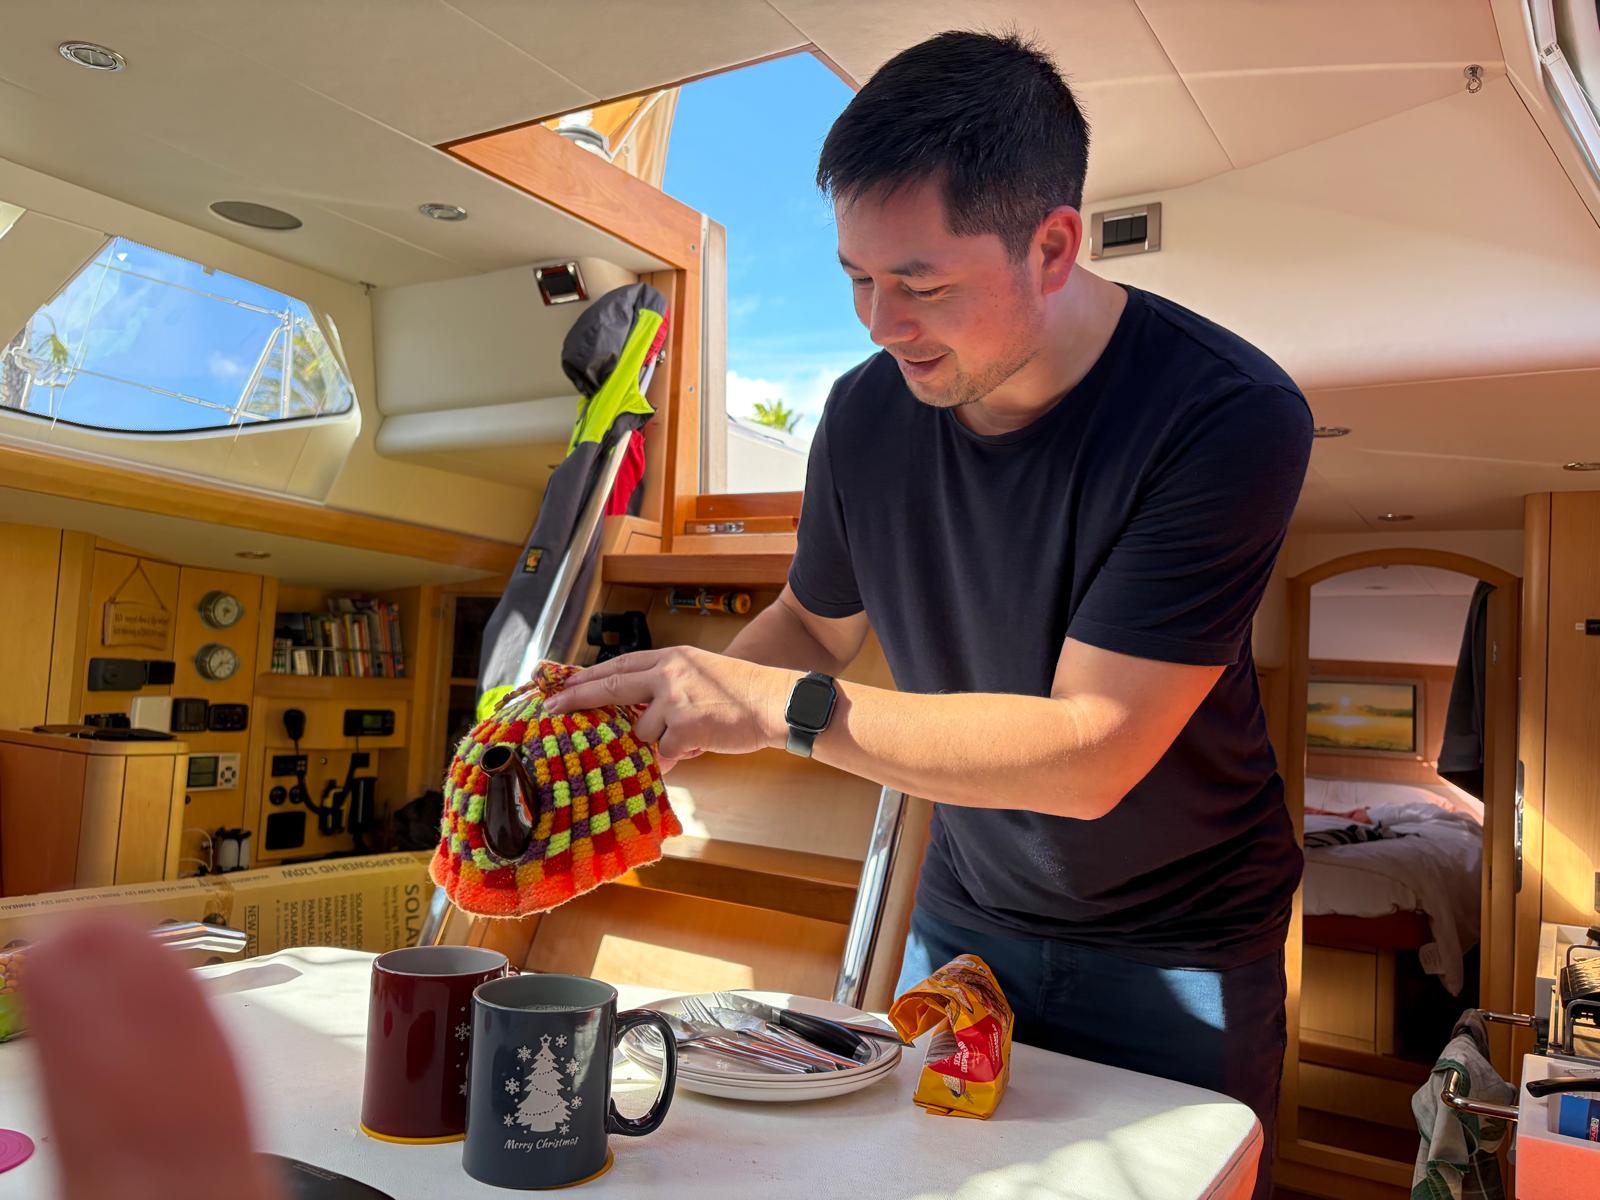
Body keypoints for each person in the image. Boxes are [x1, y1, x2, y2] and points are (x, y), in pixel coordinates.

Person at [545, 29, 1311, 1197]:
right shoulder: (862, 415)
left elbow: (1091, 752)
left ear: (1052, 245)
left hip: (1187, 944)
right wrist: (667, 711)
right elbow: (813, 621)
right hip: (967, 919)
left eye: (920, 283)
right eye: (856, 277)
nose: (877, 320)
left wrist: (777, 707)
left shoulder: (1228, 415)